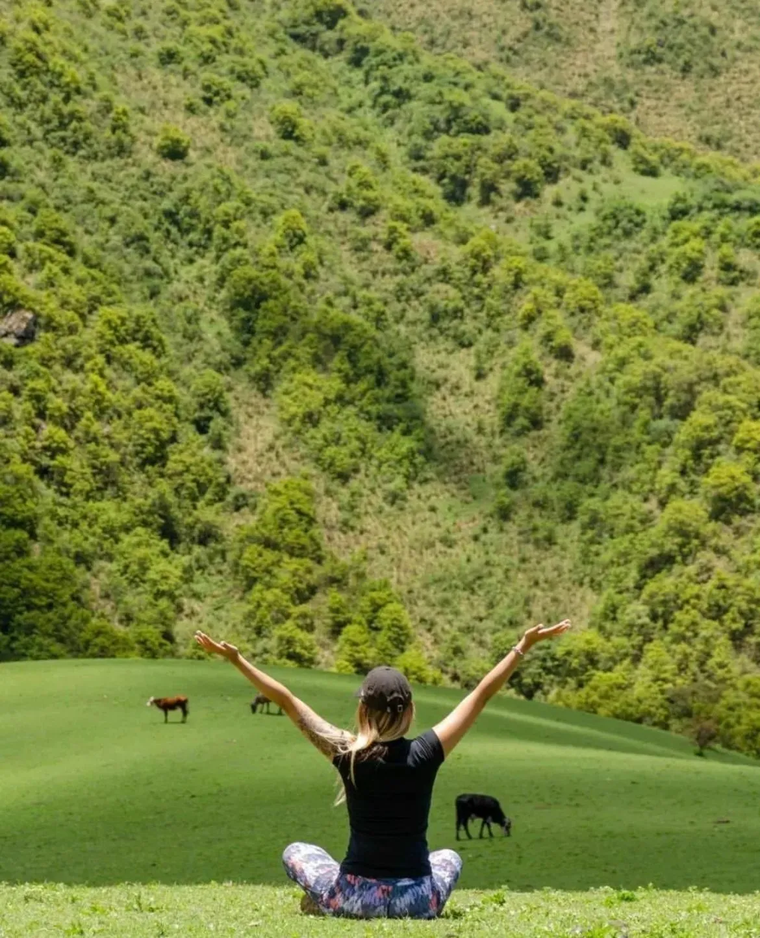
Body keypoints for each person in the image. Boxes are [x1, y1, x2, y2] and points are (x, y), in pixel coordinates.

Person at [194, 618, 570, 919]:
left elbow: (288, 702)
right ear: (409, 710)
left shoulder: (348, 754)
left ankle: (324, 905)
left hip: (354, 899)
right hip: (419, 902)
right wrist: (522, 647)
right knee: (449, 858)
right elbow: (480, 694)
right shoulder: (427, 752)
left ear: (362, 710)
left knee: (297, 851)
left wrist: (236, 660)